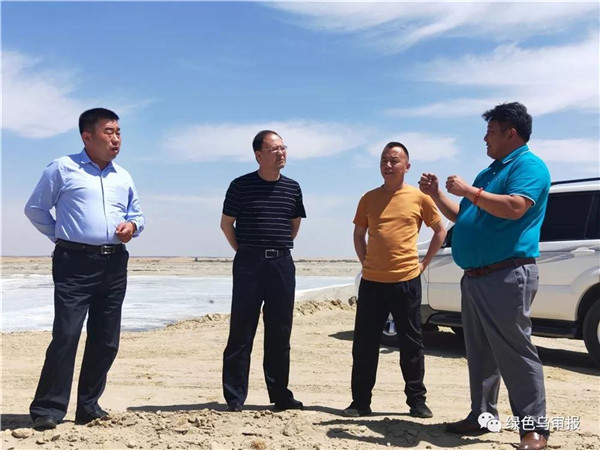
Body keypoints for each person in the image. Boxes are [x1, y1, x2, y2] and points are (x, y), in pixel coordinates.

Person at [419, 102, 550, 450]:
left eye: (491, 131)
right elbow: (462, 216)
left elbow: (515, 207)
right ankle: (482, 416)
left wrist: (469, 192)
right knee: (479, 352)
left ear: (511, 133)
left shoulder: (529, 166)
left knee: (515, 352)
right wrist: (437, 195)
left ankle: (534, 429)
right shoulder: (489, 172)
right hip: (476, 277)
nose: (485, 138)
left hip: (506, 273)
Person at [25, 108, 145, 431]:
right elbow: (35, 208)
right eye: (109, 132)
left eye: (119, 132)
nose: (116, 139)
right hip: (74, 263)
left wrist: (132, 226)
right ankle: (48, 408)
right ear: (87, 136)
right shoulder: (62, 168)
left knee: (106, 339)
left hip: (114, 262)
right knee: (66, 334)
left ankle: (88, 406)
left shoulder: (123, 176)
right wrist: (62, 235)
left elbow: (138, 214)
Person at [345, 142, 447, 418]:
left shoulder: (419, 198)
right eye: (384, 161)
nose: (388, 166)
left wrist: (424, 264)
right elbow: (359, 235)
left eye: (394, 161)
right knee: (364, 344)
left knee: (411, 343)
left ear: (406, 166)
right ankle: (360, 402)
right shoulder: (368, 198)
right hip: (372, 282)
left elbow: (440, 230)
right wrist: (366, 262)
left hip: (406, 280)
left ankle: (417, 401)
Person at [220, 130, 306, 412]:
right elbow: (226, 224)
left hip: (281, 264)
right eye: (274, 149)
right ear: (259, 155)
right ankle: (235, 397)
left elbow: (294, 223)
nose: (281, 153)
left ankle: (280, 395)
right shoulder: (240, 186)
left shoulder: (292, 188)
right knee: (241, 330)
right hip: (250, 264)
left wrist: (276, 248)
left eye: (283, 148)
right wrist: (245, 251)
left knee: (280, 332)